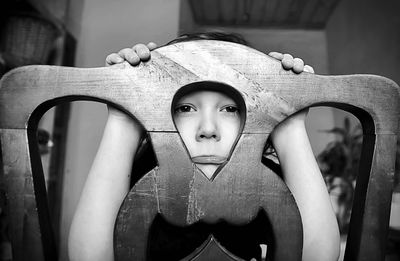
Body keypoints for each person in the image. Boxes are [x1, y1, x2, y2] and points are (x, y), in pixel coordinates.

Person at [68, 32, 340, 261]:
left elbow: (319, 256)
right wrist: (125, 115)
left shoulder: (263, 179)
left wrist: (286, 122)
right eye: (186, 108)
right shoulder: (140, 173)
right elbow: (89, 256)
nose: (208, 129)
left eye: (230, 108)